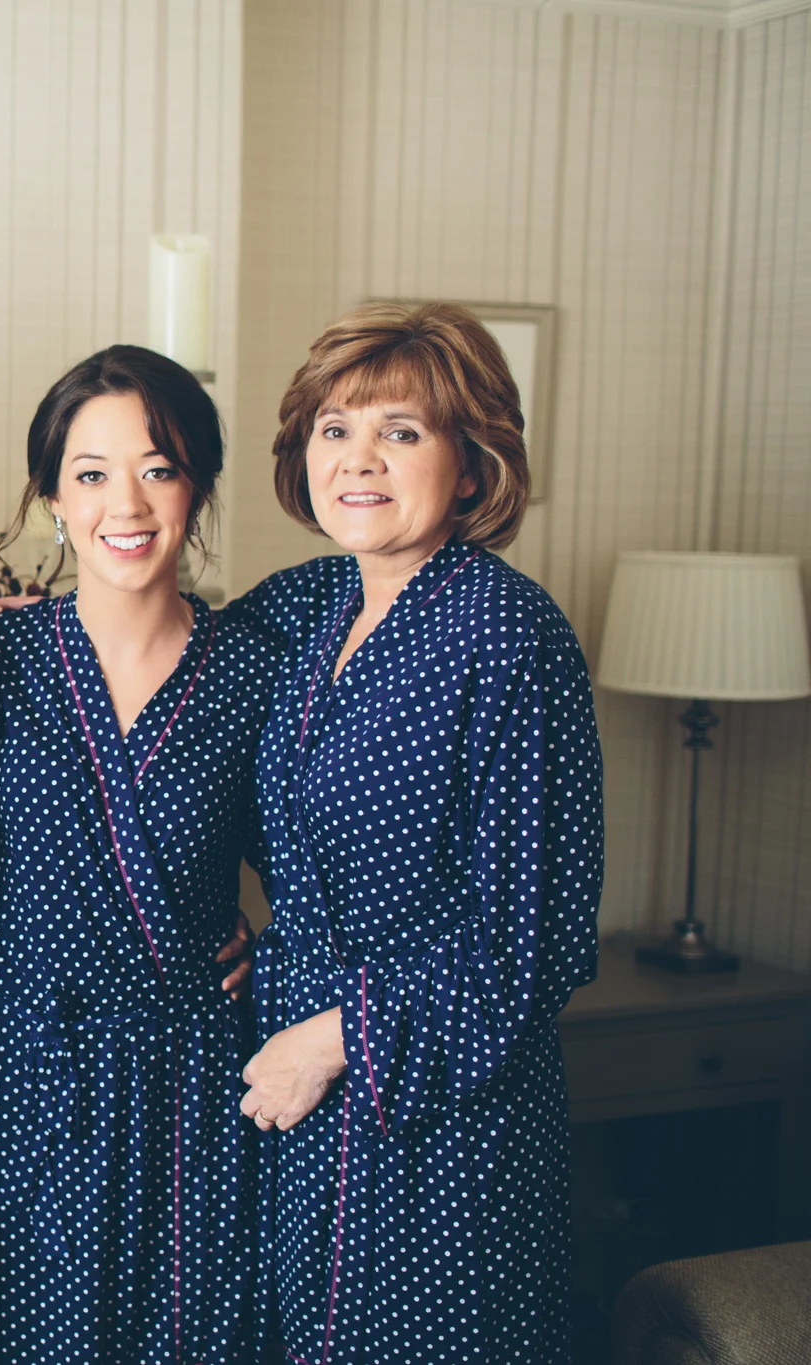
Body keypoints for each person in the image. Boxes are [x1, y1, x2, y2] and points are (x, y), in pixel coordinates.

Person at [233, 301, 603, 1363]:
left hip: (441, 1110)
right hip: (294, 1087)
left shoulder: (508, 635)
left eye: (400, 432)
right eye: (332, 429)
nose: (357, 460)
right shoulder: (305, 610)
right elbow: (163, 657)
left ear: (471, 466)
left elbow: (530, 941)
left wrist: (336, 1035)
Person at [0, 345, 268, 1364]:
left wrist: (262, 956)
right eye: (90, 473)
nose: (123, 503)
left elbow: (318, 875)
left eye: (157, 467)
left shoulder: (252, 673)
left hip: (190, 1085)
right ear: (51, 494)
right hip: (20, 1071)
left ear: (198, 485)